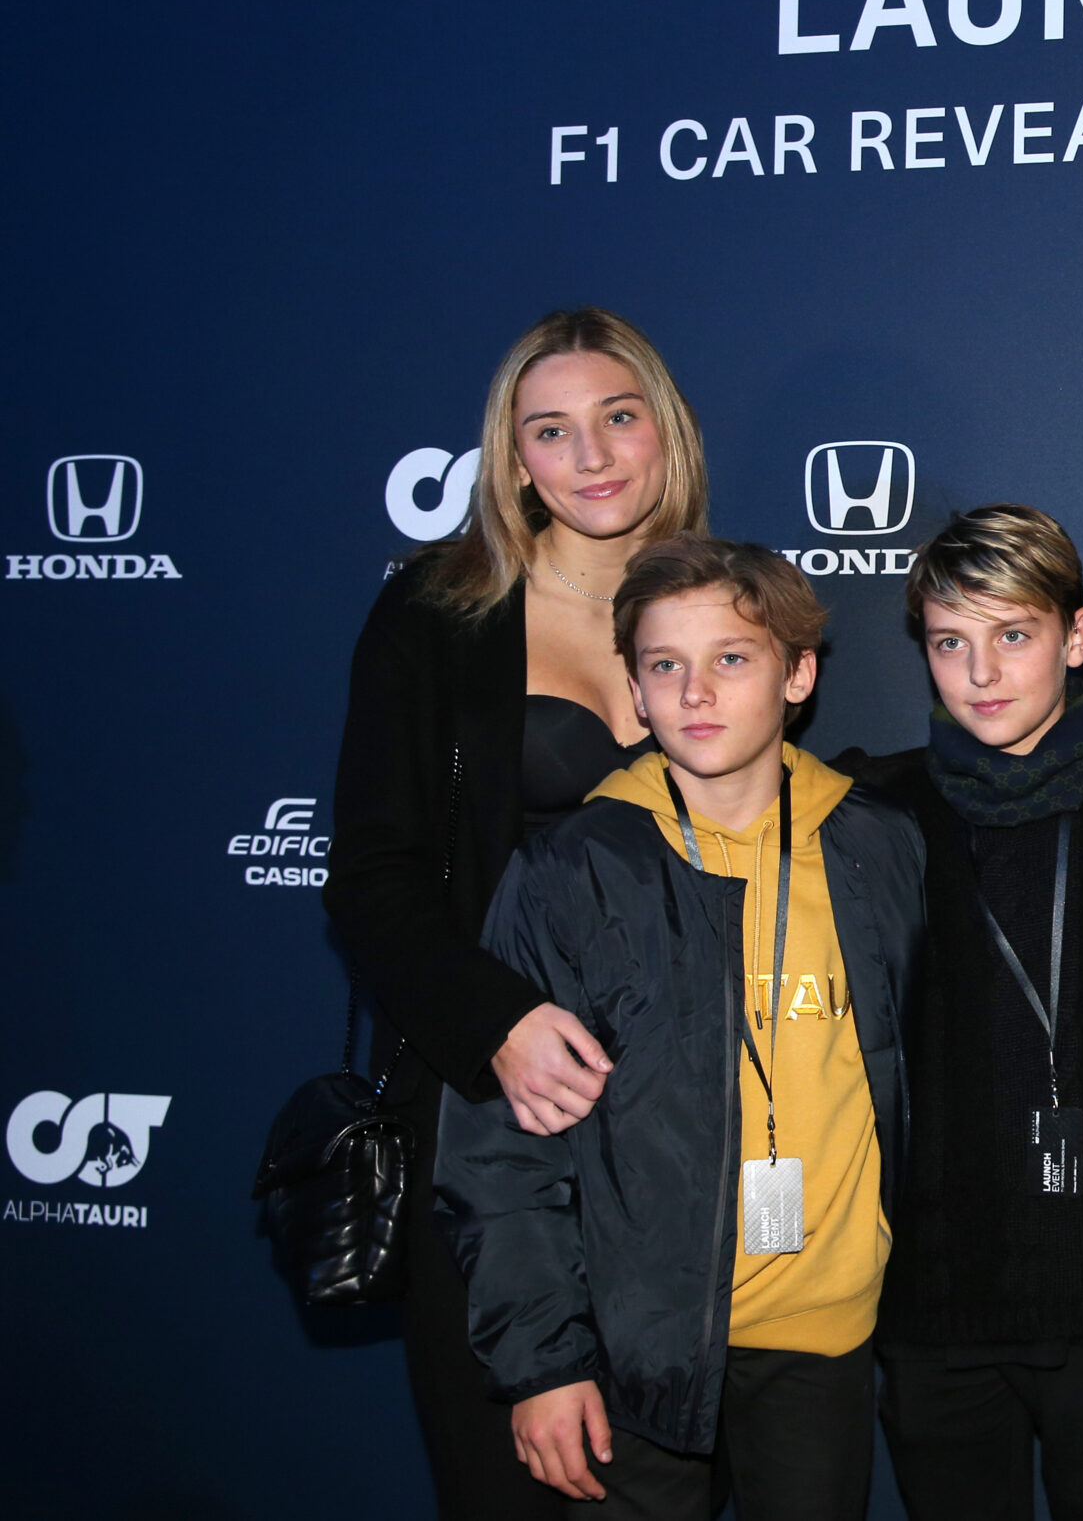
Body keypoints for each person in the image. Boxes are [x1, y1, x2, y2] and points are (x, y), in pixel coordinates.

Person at [434, 534, 924, 1517]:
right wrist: (542, 1361)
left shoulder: (878, 846)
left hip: (826, 1340)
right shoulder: (570, 870)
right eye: (665, 665)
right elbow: (501, 1146)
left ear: (798, 675)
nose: (696, 691)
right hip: (635, 1347)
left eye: (731, 658)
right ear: (635, 690)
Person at [325, 307, 711, 1518]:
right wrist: (495, 1024)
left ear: (664, 430)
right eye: (551, 430)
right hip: (498, 1114)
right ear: (513, 457)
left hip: (681, 1125)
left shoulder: (724, 602)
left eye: (617, 417)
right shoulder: (438, 614)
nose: (591, 456)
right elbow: (373, 876)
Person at [842, 504, 1083, 1521]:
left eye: (1013, 636)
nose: (981, 673)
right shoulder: (878, 813)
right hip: (935, 1291)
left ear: (1077, 637)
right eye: (951, 642)